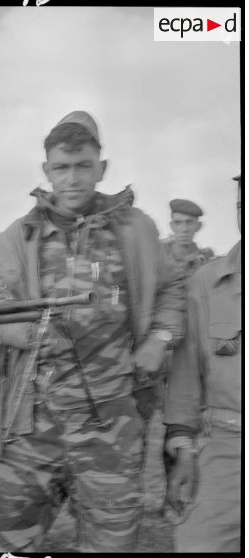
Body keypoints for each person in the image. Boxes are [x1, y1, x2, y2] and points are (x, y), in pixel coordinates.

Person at [0, 110, 185, 552]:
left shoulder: (137, 229)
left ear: (101, 168)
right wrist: (29, 333)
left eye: (83, 166)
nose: (72, 179)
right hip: (32, 424)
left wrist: (160, 339)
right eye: (61, 168)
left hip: (111, 422)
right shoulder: (19, 236)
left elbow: (171, 288)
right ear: (46, 171)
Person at [163, 175, 241, 552]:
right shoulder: (206, 283)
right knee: (199, 542)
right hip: (226, 443)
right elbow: (185, 379)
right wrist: (183, 449)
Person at [162, 199, 214, 277]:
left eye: (189, 222)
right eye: (178, 223)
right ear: (171, 226)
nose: (184, 229)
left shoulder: (205, 260)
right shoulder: (157, 255)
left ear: (199, 226)